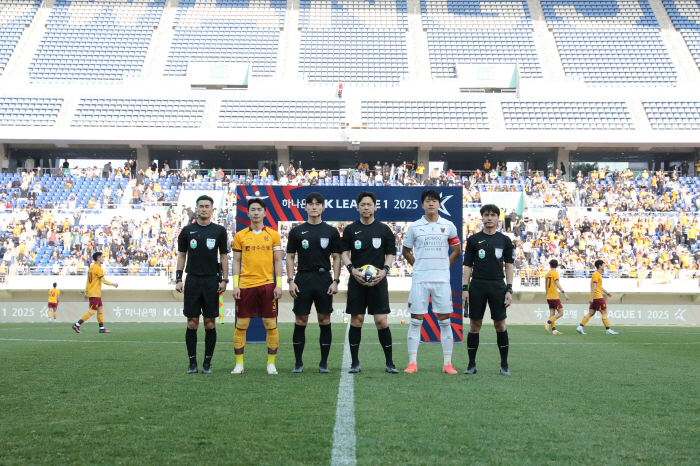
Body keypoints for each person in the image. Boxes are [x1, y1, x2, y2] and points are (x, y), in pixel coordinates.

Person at [402, 190, 462, 374]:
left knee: (444, 321)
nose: (431, 204)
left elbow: (457, 251)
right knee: (416, 321)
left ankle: (447, 364)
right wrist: (418, 266)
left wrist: (444, 266)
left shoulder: (449, 225)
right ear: (422, 204)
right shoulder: (414, 227)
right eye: (427, 201)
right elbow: (405, 251)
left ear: (439, 204)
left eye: (434, 201)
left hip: (442, 281)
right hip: (420, 281)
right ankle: (412, 363)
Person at [340, 191, 398, 374]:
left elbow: (390, 253)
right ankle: (355, 363)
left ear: (374, 207)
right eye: (363, 204)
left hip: (378, 281)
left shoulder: (384, 229)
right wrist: (351, 269)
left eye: (369, 204)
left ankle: (390, 363)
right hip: (357, 281)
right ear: (358, 207)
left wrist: (385, 271)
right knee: (357, 321)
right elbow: (343, 253)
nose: (366, 207)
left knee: (381, 321)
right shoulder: (350, 230)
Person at [286, 192, 342, 373]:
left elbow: (336, 257)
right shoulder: (296, 231)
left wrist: (335, 280)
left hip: (324, 278)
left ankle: (323, 363)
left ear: (323, 207)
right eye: (311, 203)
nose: (314, 206)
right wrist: (290, 280)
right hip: (303, 278)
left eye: (318, 204)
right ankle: (298, 363)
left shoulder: (331, 231)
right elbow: (289, 257)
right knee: (301, 320)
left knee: (324, 319)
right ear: (305, 207)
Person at [175, 195, 229, 374]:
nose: (204, 209)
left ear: (213, 210)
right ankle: (192, 364)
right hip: (192, 280)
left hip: (211, 281)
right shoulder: (187, 231)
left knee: (210, 324)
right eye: (201, 206)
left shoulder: (219, 231)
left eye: (207, 206)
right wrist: (178, 279)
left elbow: (223, 256)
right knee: (192, 323)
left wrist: (225, 279)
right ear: (196, 209)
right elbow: (182, 256)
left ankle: (207, 363)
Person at [231, 198, 283, 375]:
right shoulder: (240, 236)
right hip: (245, 286)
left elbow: (278, 261)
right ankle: (239, 363)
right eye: (252, 209)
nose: (255, 212)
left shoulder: (274, 235)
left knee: (270, 323)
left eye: (259, 209)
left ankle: (271, 364)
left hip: (267, 285)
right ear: (247, 213)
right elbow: (236, 261)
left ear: (265, 212)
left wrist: (279, 285)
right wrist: (235, 285)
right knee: (242, 324)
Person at [462, 204, 515, 376]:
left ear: (498, 218)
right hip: (477, 285)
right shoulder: (473, 240)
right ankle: (471, 365)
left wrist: (509, 289)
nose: (489, 218)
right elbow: (468, 265)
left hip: (498, 285)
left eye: (493, 215)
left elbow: (509, 266)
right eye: (486, 215)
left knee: (500, 325)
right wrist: (465, 288)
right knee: (474, 325)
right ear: (482, 218)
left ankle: (504, 365)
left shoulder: (505, 241)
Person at [72, 252, 118, 334]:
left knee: (100, 309)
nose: (103, 258)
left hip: (94, 292)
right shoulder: (98, 268)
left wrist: (86, 292)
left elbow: (88, 281)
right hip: (95, 293)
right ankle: (77, 324)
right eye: (102, 257)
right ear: (98, 259)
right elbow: (103, 280)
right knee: (92, 311)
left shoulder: (91, 267)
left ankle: (102, 328)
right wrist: (113, 284)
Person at [576, 260, 618, 335]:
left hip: (595, 297)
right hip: (598, 297)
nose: (604, 266)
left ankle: (580, 327)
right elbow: (594, 286)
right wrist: (591, 298)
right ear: (599, 266)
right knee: (604, 312)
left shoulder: (597, 274)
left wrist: (606, 292)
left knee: (591, 312)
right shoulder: (596, 274)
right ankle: (608, 330)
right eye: (603, 265)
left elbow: (599, 286)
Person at [543, 260, 569, 335]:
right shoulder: (555, 273)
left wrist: (547, 295)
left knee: (552, 313)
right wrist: (564, 293)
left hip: (549, 296)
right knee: (561, 313)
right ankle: (547, 323)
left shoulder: (547, 274)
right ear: (557, 265)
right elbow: (557, 284)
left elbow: (545, 287)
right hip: (554, 296)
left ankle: (554, 330)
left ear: (550, 265)